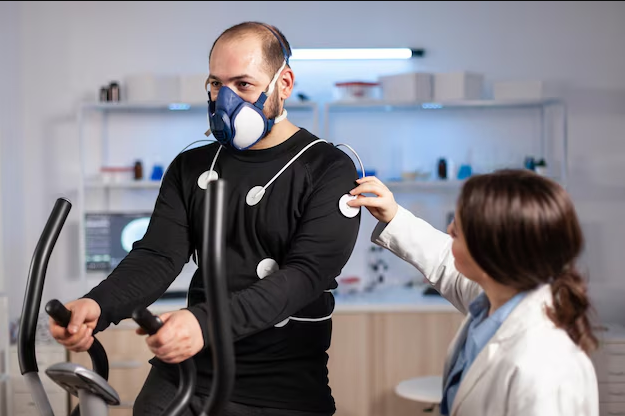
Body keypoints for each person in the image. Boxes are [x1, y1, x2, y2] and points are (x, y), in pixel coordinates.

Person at [49, 21, 361, 416]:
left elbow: (303, 277)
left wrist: (203, 323)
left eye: (243, 85)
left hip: (280, 390)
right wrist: (99, 304)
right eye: (216, 84)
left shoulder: (327, 168)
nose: (225, 100)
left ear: (284, 83)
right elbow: (158, 256)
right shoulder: (191, 165)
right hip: (183, 379)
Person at [346, 170, 599, 416]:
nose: (449, 231)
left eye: (458, 230)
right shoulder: (494, 302)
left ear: (491, 252)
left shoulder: (546, 366)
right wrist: (394, 216)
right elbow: (444, 259)